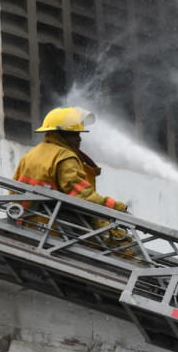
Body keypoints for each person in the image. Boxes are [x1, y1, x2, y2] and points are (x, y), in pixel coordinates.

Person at [13, 106, 131, 253]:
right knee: (125, 248)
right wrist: (119, 208)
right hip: (56, 232)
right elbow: (83, 197)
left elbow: (14, 193)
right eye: (74, 134)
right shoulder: (64, 157)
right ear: (60, 134)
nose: (79, 139)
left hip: (26, 225)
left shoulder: (29, 155)